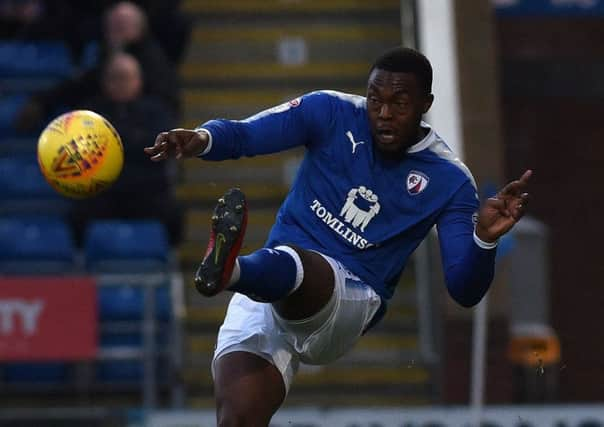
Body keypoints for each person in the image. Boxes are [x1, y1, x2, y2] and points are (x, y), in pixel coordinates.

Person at [144, 47, 531, 426]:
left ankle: (229, 273)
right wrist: (200, 140)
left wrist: (483, 240)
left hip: (351, 298)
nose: (383, 113)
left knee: (295, 261)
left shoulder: (450, 180)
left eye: (400, 103)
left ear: (425, 103)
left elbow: (464, 290)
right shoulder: (329, 111)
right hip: (270, 287)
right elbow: (247, 135)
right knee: (237, 417)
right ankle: (232, 272)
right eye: (375, 99)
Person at [70, 51, 182, 245]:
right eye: (115, 78)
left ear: (139, 80)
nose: (121, 83)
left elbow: (157, 148)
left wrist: (112, 144)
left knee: (174, 214)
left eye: (126, 78)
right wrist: (133, 142)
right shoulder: (90, 111)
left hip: (147, 189)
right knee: (77, 215)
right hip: (104, 190)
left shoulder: (157, 111)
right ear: (104, 81)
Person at [16, 1, 180, 131]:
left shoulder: (155, 64)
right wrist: (43, 102)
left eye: (122, 26)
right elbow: (80, 85)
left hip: (140, 137)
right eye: (112, 26)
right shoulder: (105, 55)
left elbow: (166, 109)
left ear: (139, 28)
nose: (115, 31)